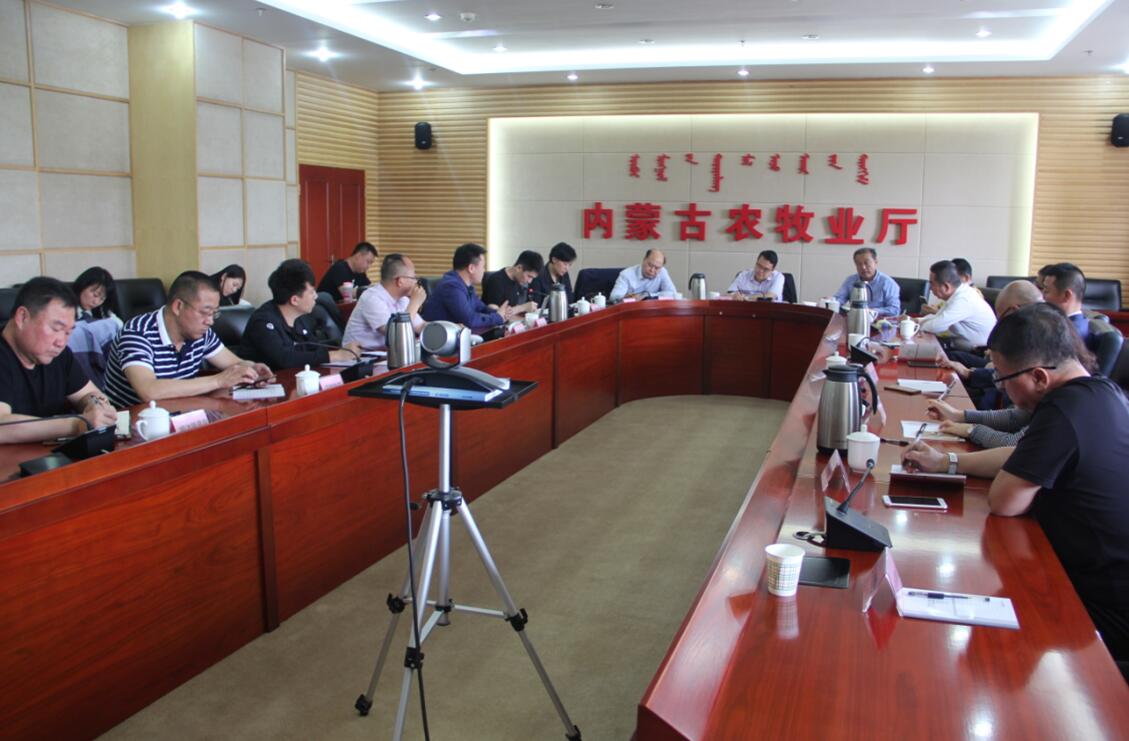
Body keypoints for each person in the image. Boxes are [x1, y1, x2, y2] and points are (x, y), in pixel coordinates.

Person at [902, 302, 1129, 671]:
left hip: (1099, 605)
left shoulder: (1063, 411)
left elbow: (1005, 500)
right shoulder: (1102, 391)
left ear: (1038, 376)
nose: (1002, 389)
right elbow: (1023, 457)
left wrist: (955, 462)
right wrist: (946, 462)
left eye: (1004, 379)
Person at [103, 271, 272, 407]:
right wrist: (218, 380)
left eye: (214, 313)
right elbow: (148, 390)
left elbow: (234, 363)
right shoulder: (137, 333)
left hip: (180, 415)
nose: (210, 321)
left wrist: (252, 369)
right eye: (205, 312)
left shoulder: (201, 333)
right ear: (178, 306)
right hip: (133, 425)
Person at [0, 277, 117, 443]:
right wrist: (77, 424)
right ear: (22, 317)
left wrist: (96, 406)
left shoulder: (58, 354)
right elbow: (2, 425)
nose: (61, 342)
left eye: (68, 332)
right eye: (56, 329)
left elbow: (88, 393)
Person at [243, 259, 362, 370]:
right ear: (295, 300)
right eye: (311, 292)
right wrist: (336, 356)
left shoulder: (299, 318)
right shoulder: (262, 321)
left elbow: (314, 348)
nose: (316, 296)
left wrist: (343, 350)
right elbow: (284, 359)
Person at [343, 253, 427, 351]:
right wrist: (415, 304)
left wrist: (441, 329)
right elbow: (396, 334)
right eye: (413, 278)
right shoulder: (372, 298)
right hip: (361, 355)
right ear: (400, 281)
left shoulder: (402, 299)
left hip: (387, 354)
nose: (416, 282)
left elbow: (420, 326)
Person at [420, 243, 506, 330]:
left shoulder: (467, 286)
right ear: (471, 268)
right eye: (483, 266)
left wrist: (500, 313)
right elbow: (470, 320)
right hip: (438, 336)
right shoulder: (451, 287)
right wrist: (497, 317)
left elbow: (481, 308)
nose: (484, 270)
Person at [917, 260, 996, 348]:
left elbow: (935, 326)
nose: (930, 288)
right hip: (960, 346)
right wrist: (916, 321)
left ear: (946, 287)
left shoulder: (964, 299)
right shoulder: (959, 293)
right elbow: (938, 317)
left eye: (932, 284)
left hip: (979, 351)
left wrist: (914, 326)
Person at [831, 247, 901, 317]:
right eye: (859, 264)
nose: (863, 267)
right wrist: (832, 301)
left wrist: (872, 311)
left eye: (867, 263)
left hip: (878, 320)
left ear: (875, 262)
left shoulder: (888, 283)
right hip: (854, 318)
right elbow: (840, 299)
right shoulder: (851, 280)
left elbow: (894, 310)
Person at [1039, 262, 1092, 344]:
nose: (1042, 297)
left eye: (1046, 291)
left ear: (1066, 295)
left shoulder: (1064, 336)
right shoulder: (1081, 323)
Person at [482, 250, 542, 317]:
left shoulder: (518, 280)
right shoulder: (496, 281)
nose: (529, 281)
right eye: (529, 276)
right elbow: (496, 314)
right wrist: (522, 307)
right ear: (519, 268)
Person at [610, 249, 677, 302]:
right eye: (650, 265)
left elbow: (673, 294)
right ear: (644, 259)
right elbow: (613, 297)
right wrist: (626, 298)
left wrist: (647, 295)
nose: (652, 270)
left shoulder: (662, 272)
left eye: (657, 268)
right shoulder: (626, 274)